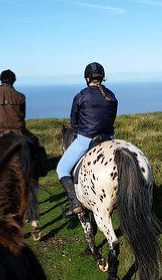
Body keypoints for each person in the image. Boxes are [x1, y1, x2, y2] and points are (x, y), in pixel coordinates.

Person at [57, 62, 118, 217]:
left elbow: (73, 121)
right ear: (102, 77)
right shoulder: (111, 95)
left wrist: (79, 130)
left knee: (62, 169)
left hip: (86, 139)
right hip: (109, 139)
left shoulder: (81, 95)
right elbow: (112, 118)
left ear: (87, 78)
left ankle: (75, 203)